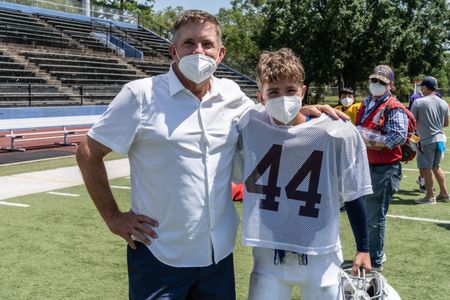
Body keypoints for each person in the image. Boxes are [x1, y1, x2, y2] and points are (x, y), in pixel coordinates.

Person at [76, 10, 347, 300]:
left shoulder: (232, 96)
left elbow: (270, 119)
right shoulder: (140, 95)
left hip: (217, 256)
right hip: (160, 254)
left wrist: (300, 111)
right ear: (173, 51)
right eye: (188, 43)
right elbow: (88, 152)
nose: (198, 51)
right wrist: (114, 217)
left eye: (206, 44)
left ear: (220, 53)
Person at [235, 48, 372, 300]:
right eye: (274, 92)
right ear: (261, 97)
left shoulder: (335, 131)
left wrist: (363, 247)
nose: (283, 98)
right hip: (269, 253)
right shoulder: (248, 124)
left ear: (303, 91)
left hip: (321, 252)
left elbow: (353, 195)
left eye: (290, 91)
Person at [355, 65, 408, 271]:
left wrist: (366, 138)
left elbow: (398, 137)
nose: (376, 85)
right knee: (367, 213)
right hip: (367, 165)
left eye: (382, 82)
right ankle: (373, 253)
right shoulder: (368, 102)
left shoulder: (393, 107)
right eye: (373, 80)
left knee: (375, 217)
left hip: (384, 169)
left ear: (390, 85)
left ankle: (375, 261)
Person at [410, 76, 449, 204]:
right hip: (440, 139)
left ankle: (430, 196)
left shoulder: (419, 102)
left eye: (422, 86)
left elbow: (411, 122)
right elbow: (446, 123)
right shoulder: (443, 102)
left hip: (426, 140)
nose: (421, 88)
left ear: (426, 87)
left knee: (426, 168)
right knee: (436, 167)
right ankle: (444, 194)